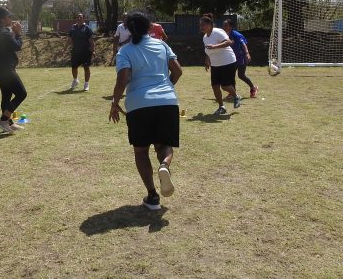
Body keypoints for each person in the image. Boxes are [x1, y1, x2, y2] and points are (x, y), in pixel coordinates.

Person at [109, 12, 183, 210]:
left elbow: (122, 79)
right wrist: (167, 87)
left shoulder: (124, 51)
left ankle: (152, 197)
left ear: (128, 29)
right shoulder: (162, 45)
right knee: (164, 145)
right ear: (150, 27)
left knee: (141, 151)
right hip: (167, 101)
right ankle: (164, 166)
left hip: (139, 104)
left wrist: (115, 102)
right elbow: (177, 71)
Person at [0, 7, 27, 134]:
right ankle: (4, 120)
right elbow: (17, 46)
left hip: (0, 69)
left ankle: (8, 123)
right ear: (2, 19)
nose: (11, 19)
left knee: (6, 96)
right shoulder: (4, 33)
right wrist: (18, 33)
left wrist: (13, 32)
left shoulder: (0, 31)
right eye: (9, 17)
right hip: (5, 70)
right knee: (22, 94)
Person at [200, 13, 241, 115]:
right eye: (200, 25)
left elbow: (228, 42)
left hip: (228, 61)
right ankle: (221, 107)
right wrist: (207, 59)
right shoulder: (205, 37)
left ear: (210, 25)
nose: (201, 27)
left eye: (203, 25)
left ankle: (236, 96)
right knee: (215, 86)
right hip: (215, 64)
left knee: (225, 86)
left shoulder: (218, 32)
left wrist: (214, 46)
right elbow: (208, 49)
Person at [221, 19, 258, 98]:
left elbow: (243, 44)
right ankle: (232, 92)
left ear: (231, 26)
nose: (224, 27)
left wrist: (247, 53)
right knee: (231, 75)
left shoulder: (237, 35)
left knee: (241, 75)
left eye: (226, 25)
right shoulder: (224, 35)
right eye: (223, 25)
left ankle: (253, 88)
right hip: (231, 58)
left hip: (241, 57)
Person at [66, 13, 95, 91]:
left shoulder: (87, 28)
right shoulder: (73, 28)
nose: (79, 18)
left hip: (85, 52)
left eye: (80, 17)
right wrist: (64, 49)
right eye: (77, 17)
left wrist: (93, 50)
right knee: (74, 67)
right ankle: (75, 80)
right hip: (75, 52)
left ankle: (86, 84)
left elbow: (91, 40)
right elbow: (69, 39)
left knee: (86, 67)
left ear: (83, 19)